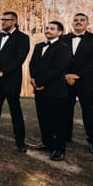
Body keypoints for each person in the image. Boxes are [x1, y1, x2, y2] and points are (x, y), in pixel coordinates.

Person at [0, 11, 30, 152]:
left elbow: (19, 59)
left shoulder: (23, 38)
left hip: (11, 80)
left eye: (6, 20)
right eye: (2, 19)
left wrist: (2, 73)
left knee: (15, 109)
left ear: (14, 21)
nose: (3, 22)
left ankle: (20, 140)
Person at [62, 13, 93, 155]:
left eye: (82, 20)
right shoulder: (63, 38)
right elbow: (57, 59)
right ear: (72, 23)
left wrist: (78, 75)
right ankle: (65, 136)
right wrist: (66, 75)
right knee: (65, 110)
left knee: (89, 111)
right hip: (65, 81)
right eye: (75, 20)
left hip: (86, 81)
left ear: (87, 23)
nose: (78, 22)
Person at [29, 21, 71, 161]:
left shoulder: (64, 48)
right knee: (43, 118)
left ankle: (59, 149)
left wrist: (40, 82)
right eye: (47, 28)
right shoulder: (38, 46)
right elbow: (32, 64)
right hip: (39, 89)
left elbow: (58, 69)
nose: (48, 30)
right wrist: (34, 80)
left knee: (57, 120)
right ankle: (47, 143)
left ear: (59, 32)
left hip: (55, 90)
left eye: (52, 29)